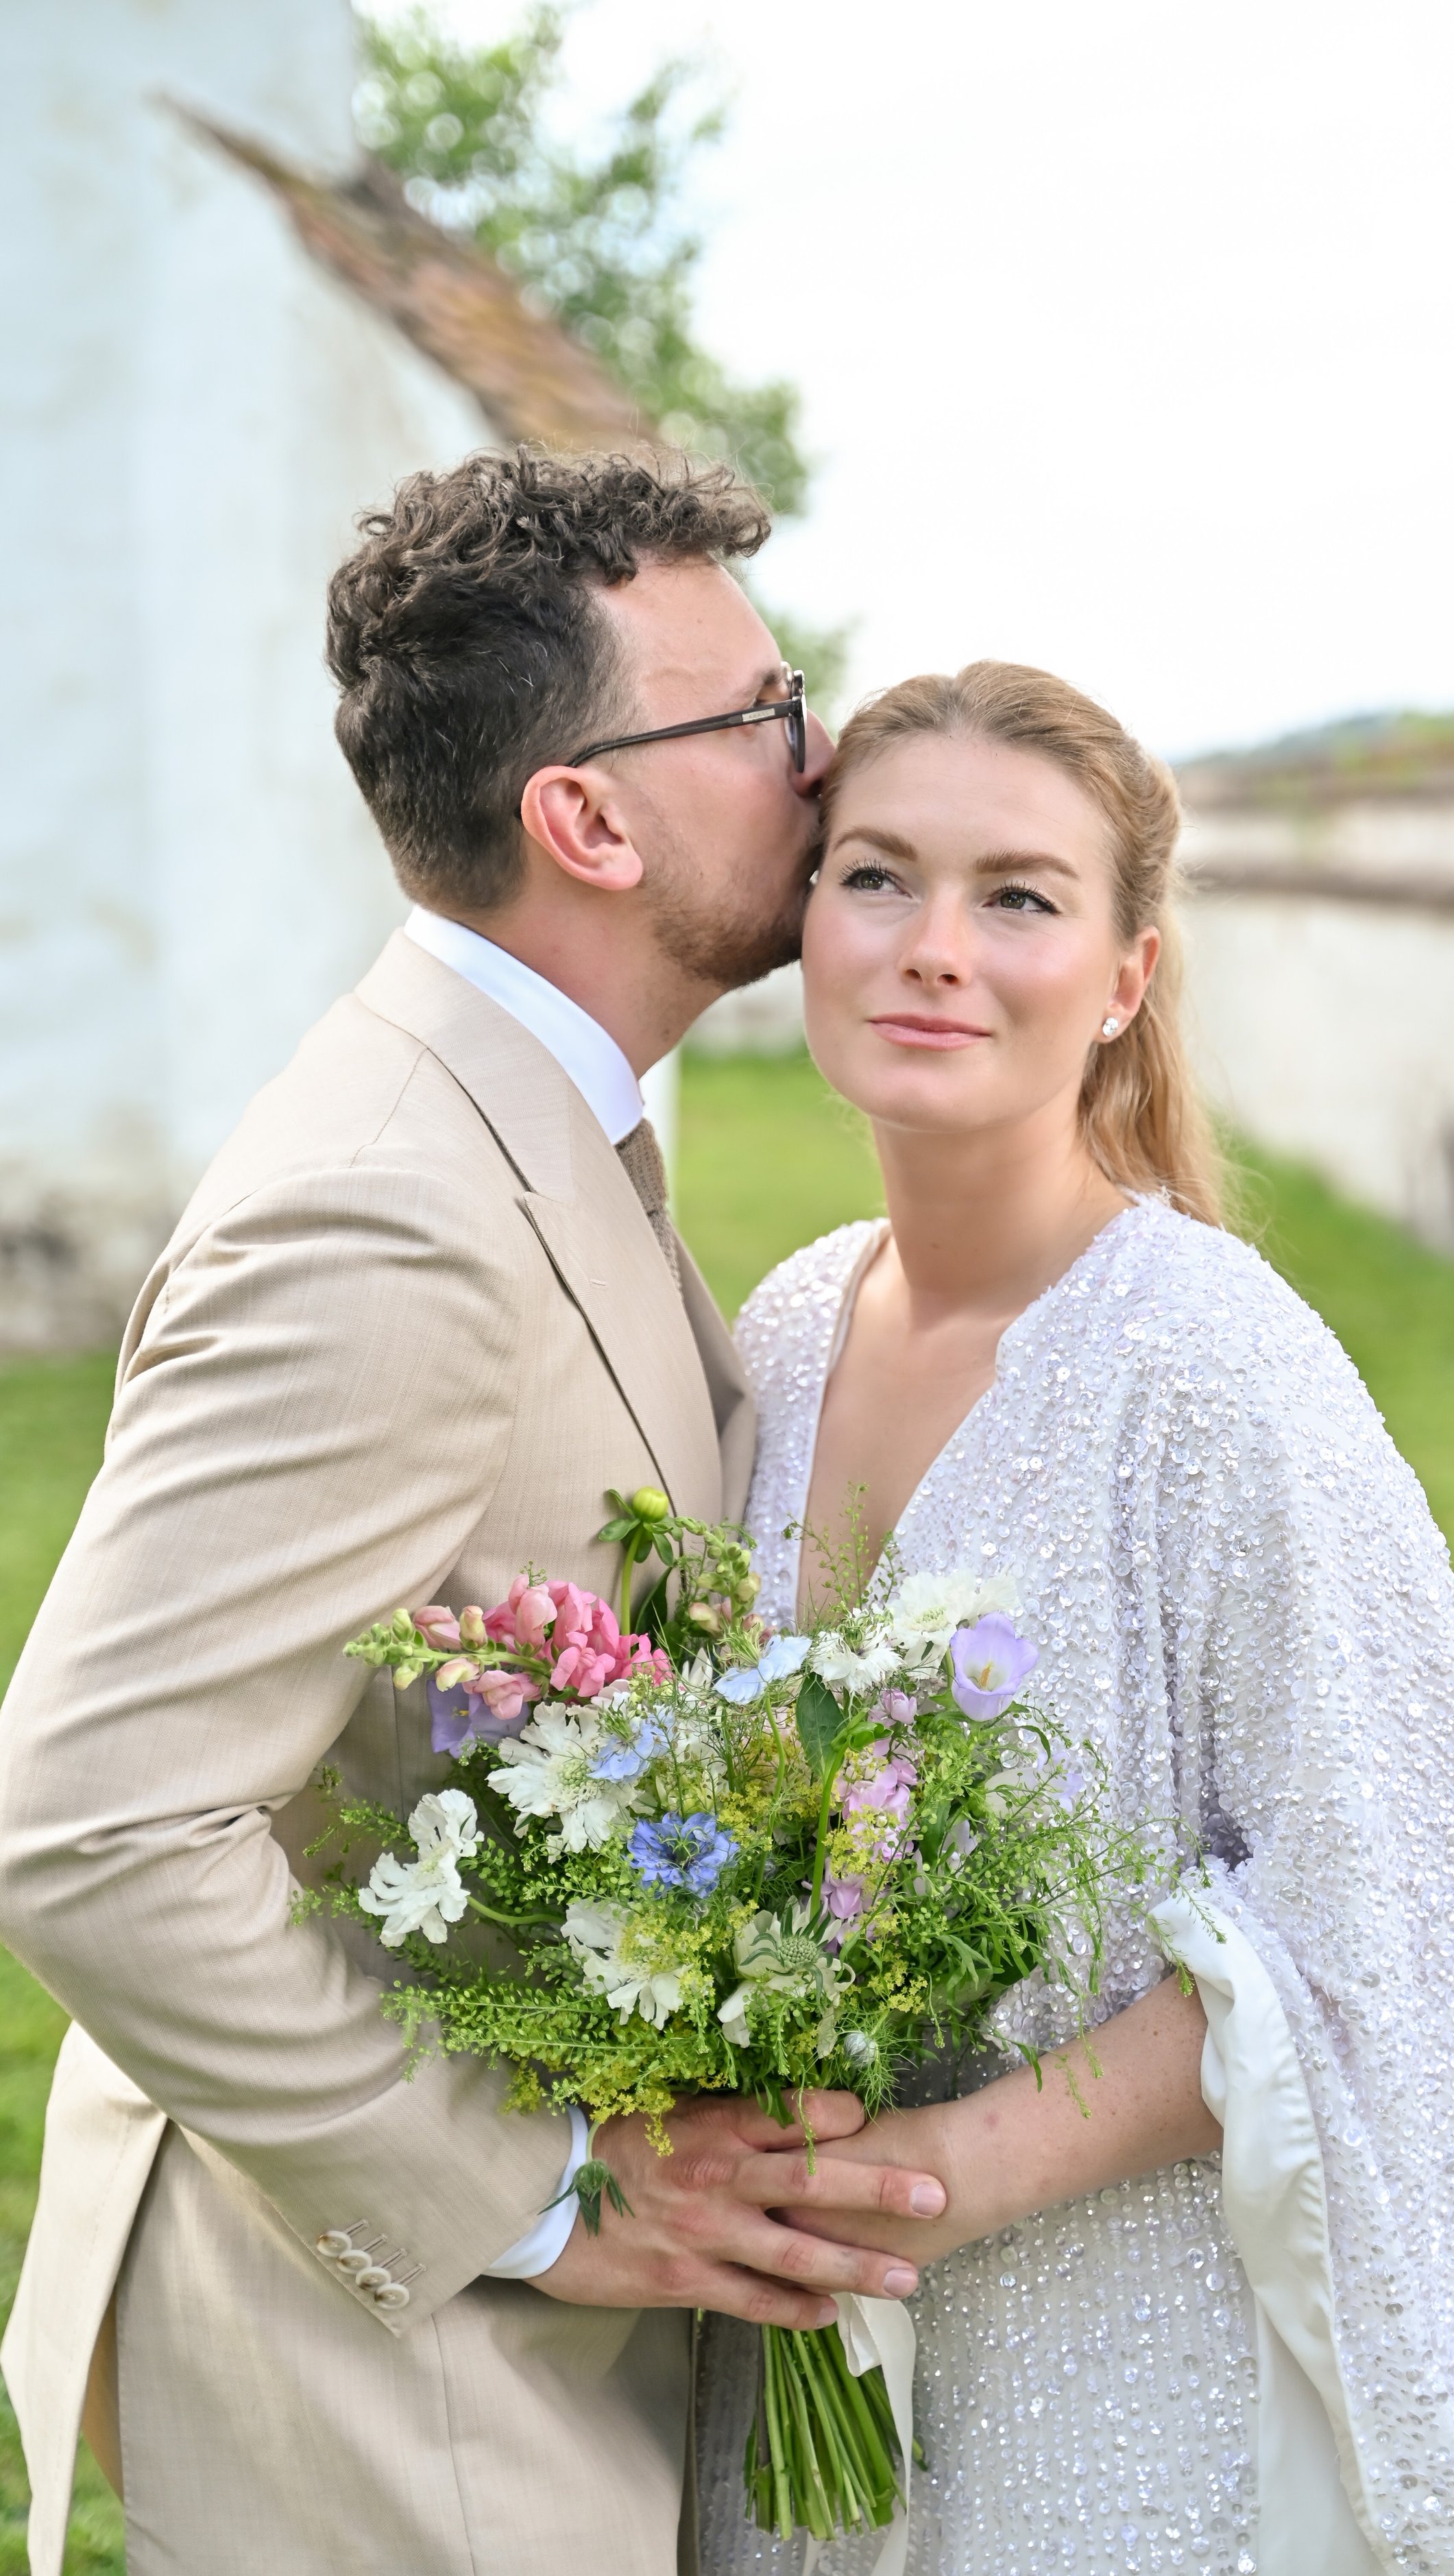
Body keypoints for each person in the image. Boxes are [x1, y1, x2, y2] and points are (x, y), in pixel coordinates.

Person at [0, 448, 947, 2576]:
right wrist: (541, 2196)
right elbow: (93, 1823)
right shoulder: (391, 1205)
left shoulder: (529, 1117)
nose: (826, 758)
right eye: (764, 711)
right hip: (392, 2401)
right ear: (586, 819)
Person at [693, 664, 1454, 2576]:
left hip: (1113, 2383)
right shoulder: (778, 1324)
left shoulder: (1214, 1376)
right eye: (875, 878)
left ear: (1121, 978)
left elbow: (1368, 1920)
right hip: (793, 2371)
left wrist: (936, 2180)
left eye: (1017, 896)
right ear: (801, 923)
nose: (934, 949)